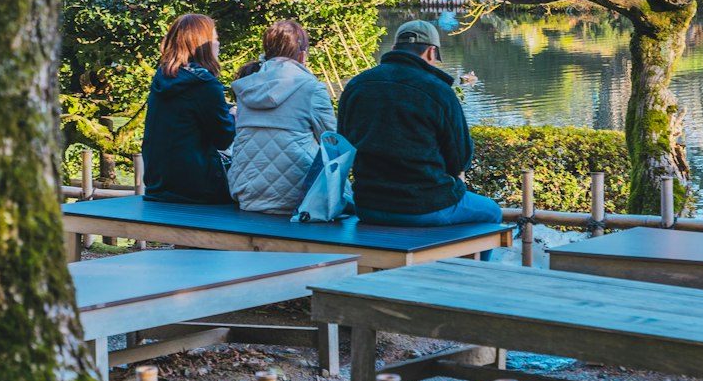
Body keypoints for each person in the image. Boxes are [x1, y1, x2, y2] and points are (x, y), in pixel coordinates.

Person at [337, 18, 501, 228]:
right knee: (491, 212)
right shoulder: (439, 91)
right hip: (425, 205)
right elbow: (460, 158)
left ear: (395, 48)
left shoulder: (357, 86)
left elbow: (342, 144)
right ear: (431, 52)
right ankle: (466, 262)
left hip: (368, 206)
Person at [228, 20, 336, 214]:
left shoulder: (247, 87)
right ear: (302, 54)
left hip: (246, 192)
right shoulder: (311, 88)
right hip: (299, 197)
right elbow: (333, 141)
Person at [141, 13, 235, 203]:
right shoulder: (205, 84)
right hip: (198, 188)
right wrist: (233, 116)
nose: (219, 45)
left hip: (158, 186)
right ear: (203, 44)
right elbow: (223, 139)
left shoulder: (161, 78)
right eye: (215, 39)